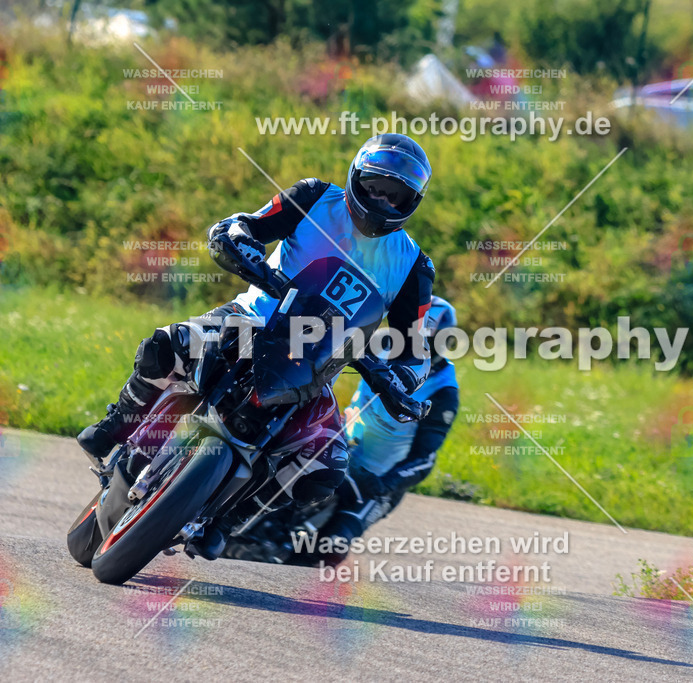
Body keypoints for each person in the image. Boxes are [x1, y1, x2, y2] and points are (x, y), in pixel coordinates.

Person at [76, 134, 437, 555]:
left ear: (412, 203)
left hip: (315, 368)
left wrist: (400, 379)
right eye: (375, 187)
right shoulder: (315, 196)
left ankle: (228, 522)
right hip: (252, 320)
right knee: (165, 345)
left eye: (396, 196)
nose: (382, 201)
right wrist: (238, 239)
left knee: (325, 470)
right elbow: (247, 223)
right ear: (356, 177)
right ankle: (117, 424)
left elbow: (415, 347)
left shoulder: (414, 265)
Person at [316, 296, 460, 562]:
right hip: (338, 447)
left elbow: (424, 458)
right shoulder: (380, 342)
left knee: (331, 545)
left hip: (376, 481)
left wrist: (384, 485)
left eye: (427, 342)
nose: (417, 349)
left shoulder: (444, 391)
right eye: (412, 337)